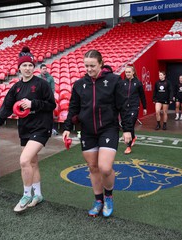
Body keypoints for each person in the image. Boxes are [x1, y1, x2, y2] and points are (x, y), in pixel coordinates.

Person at [62, 49, 132, 218]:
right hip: (87, 131)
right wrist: (67, 127)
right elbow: (73, 108)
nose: (89, 69)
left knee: (105, 168)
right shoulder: (79, 84)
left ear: (101, 63)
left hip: (108, 128)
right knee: (93, 168)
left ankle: (108, 197)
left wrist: (128, 129)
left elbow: (124, 106)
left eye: (92, 65)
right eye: (86, 66)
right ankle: (98, 200)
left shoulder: (114, 80)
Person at [0, 46, 56, 212]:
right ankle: (38, 195)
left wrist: (33, 104)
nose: (27, 68)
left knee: (24, 160)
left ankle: (26, 195)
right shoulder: (16, 88)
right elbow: (6, 107)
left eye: (30, 65)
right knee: (33, 162)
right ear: (19, 68)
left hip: (41, 127)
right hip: (25, 128)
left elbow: (51, 105)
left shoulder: (42, 84)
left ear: (34, 67)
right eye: (24, 65)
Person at [122, 65, 147, 155]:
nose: (127, 74)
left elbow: (142, 96)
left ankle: (128, 147)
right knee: (128, 124)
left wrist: (144, 107)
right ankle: (133, 137)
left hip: (134, 106)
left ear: (133, 72)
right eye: (126, 72)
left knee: (130, 123)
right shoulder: (122, 82)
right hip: (125, 107)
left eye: (129, 72)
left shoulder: (138, 83)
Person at [38, 63, 58, 135]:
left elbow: (53, 88)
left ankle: (52, 129)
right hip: (40, 99)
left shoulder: (50, 78)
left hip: (48, 98)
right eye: (43, 69)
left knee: (50, 114)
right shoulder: (37, 78)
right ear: (40, 70)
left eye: (45, 69)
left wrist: (50, 97)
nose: (45, 70)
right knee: (40, 114)